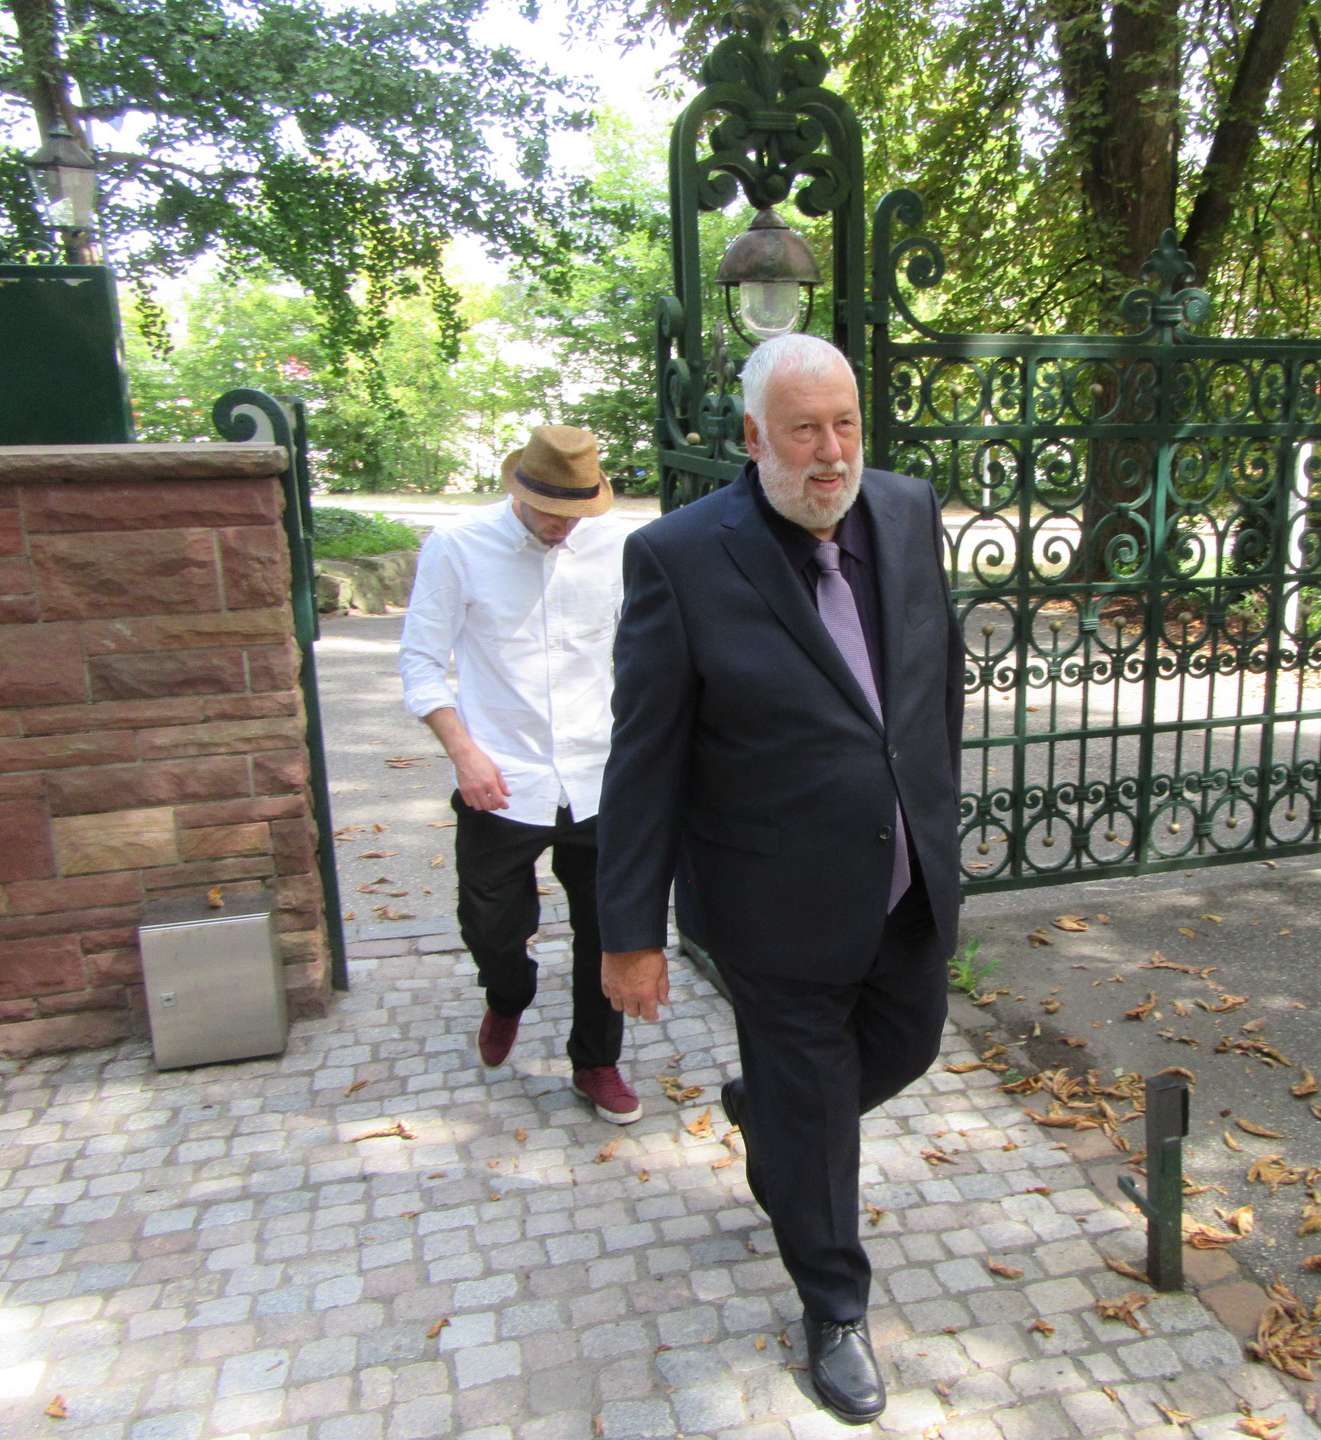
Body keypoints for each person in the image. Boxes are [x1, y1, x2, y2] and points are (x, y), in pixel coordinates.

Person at [595, 333, 962, 1424]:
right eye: (804, 431)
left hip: (903, 880)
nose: (831, 453)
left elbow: (933, 680)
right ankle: (835, 1309)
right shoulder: (679, 558)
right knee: (817, 1117)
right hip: (772, 902)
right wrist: (630, 932)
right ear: (753, 437)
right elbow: (645, 757)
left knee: (907, 1045)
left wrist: (934, 821)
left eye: (845, 424)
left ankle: (771, 1114)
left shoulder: (907, 510)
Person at [398, 425, 642, 1123]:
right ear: (519, 491)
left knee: (608, 930)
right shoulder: (457, 546)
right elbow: (421, 661)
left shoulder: (618, 546)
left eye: (577, 513)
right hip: (501, 779)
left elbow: (647, 652)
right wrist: (463, 751)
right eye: (551, 512)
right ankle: (507, 993)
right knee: (491, 927)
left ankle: (595, 1061)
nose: (564, 526)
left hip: (598, 775)